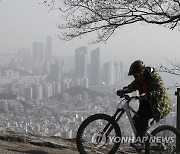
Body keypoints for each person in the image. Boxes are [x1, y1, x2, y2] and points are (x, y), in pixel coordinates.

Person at [116, 60, 171, 148]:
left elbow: (160, 91)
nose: (135, 77)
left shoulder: (153, 76)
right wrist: (123, 90)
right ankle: (144, 138)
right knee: (136, 120)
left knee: (143, 119)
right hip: (147, 103)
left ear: (142, 72)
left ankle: (140, 143)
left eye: (136, 75)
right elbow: (132, 86)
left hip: (158, 105)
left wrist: (148, 95)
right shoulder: (139, 79)